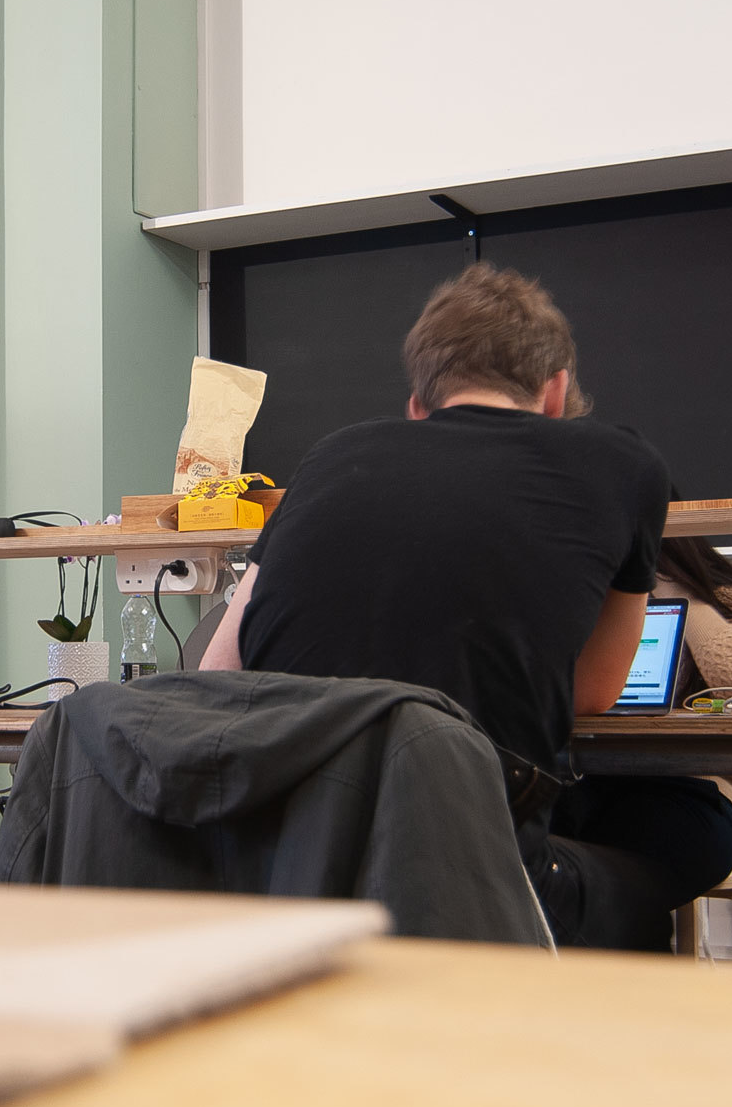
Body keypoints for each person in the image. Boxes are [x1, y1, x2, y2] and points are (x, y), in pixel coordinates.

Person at [200, 262, 674, 948]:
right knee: (669, 859)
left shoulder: (332, 455)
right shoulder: (626, 464)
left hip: (290, 866)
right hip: (479, 873)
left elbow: (223, 670)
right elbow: (594, 691)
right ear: (554, 391)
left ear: (418, 404)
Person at [541, 533, 732, 950]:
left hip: (683, 791)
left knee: (599, 891)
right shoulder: (578, 590)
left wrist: (665, 588)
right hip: (575, 781)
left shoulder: (726, 598)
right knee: (533, 873)